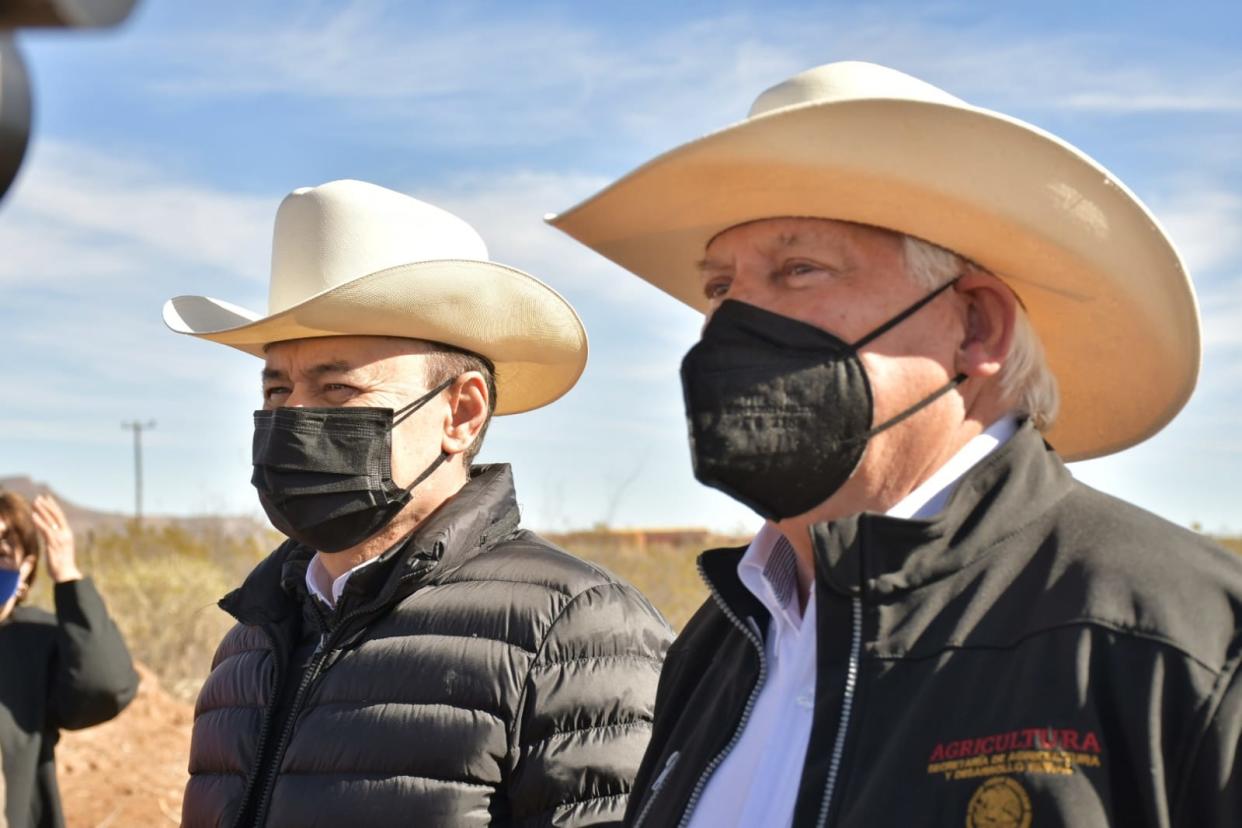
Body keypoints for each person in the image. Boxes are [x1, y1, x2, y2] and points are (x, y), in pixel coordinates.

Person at [549, 61, 1242, 827]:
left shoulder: (1171, 634)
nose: (729, 326)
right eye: (720, 288)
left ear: (974, 326)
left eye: (798, 269)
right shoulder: (718, 644)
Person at [164, 179, 672, 828]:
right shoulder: (250, 640)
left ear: (460, 413)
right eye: (277, 388)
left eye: (337, 388)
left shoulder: (574, 634)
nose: (291, 416)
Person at [0, 491, 139, 828]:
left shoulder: (34, 641)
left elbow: (106, 686)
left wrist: (67, 576)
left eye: (1, 553)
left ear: (26, 567)